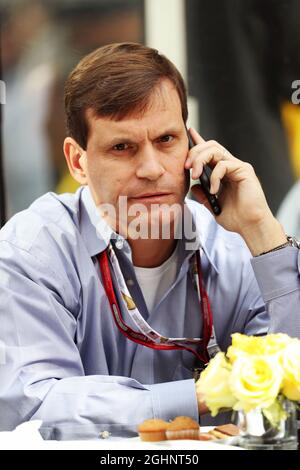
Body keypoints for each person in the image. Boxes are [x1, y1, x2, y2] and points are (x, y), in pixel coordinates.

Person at [0, 43, 299, 441]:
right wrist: (198, 398)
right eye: (121, 148)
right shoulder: (33, 248)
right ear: (77, 162)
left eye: (166, 140)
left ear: (193, 147)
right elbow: (35, 406)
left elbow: (294, 386)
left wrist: (263, 231)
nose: (152, 169)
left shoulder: (235, 244)